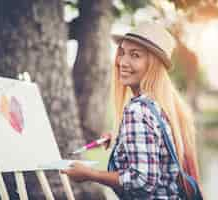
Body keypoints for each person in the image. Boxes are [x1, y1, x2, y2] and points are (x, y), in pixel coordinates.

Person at [61, 22, 201, 199]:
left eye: (135, 55)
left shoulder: (138, 110)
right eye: (122, 53)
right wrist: (122, 140)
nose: (122, 62)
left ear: (154, 65)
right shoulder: (161, 106)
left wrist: (89, 174)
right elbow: (159, 151)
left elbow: (142, 181)